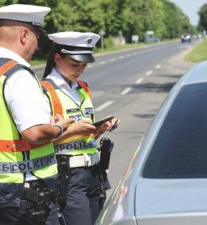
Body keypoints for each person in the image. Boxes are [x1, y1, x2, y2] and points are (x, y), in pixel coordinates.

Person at [0, 4, 75, 225]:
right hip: (23, 191)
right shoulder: (17, 75)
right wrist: (60, 127)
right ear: (24, 35)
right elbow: (34, 132)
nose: (36, 46)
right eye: (36, 38)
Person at [41, 31, 120, 225]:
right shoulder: (44, 90)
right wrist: (74, 130)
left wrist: (99, 129)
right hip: (67, 174)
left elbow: (87, 136)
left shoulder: (82, 88)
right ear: (57, 58)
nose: (80, 70)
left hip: (93, 171)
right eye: (75, 64)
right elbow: (39, 140)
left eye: (83, 65)